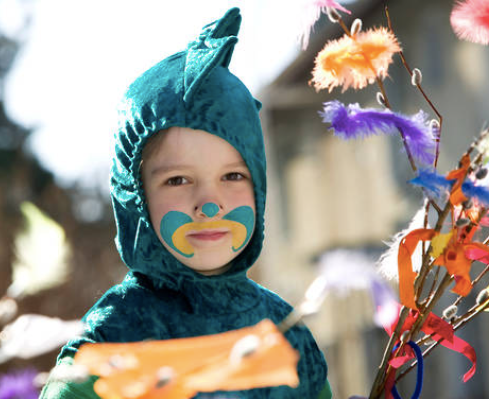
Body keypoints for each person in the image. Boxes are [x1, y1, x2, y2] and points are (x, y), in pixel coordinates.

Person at [40, 7, 331, 398]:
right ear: (135, 196)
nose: (210, 205)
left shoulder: (285, 331)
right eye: (178, 180)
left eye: (232, 177)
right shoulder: (116, 337)